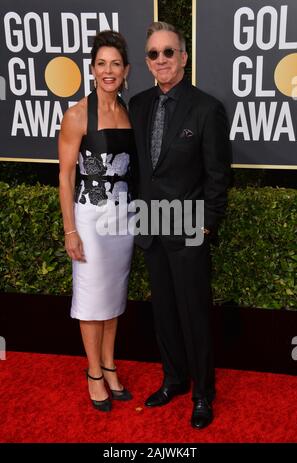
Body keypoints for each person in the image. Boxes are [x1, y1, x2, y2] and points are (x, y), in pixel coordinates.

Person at [129, 22, 231, 429]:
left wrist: (206, 225)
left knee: (194, 315)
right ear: (148, 62)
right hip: (151, 227)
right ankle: (174, 379)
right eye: (153, 54)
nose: (161, 60)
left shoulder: (206, 108)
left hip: (188, 226)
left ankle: (204, 393)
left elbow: (218, 175)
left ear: (183, 58)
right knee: (165, 313)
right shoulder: (137, 104)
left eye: (168, 52)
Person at [58, 30, 135, 412]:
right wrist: (70, 229)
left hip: (125, 219)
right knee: (91, 299)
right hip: (90, 218)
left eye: (115, 64)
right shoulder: (75, 115)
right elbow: (66, 176)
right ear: (91, 70)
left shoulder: (128, 111)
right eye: (101, 64)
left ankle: (109, 364)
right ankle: (93, 372)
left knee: (113, 297)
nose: (109, 71)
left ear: (126, 70)